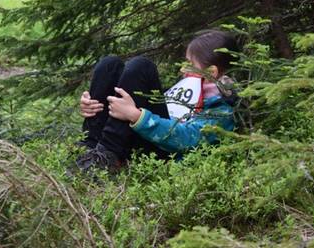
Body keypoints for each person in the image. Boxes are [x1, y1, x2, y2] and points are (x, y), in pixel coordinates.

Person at [76, 30, 239, 171]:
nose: (182, 69)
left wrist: (136, 116)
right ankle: (90, 146)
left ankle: (106, 157)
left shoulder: (221, 109)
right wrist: (93, 104)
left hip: (165, 155)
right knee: (109, 65)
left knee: (142, 67)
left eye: (189, 63)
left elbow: (188, 139)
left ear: (211, 71)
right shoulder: (189, 88)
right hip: (148, 139)